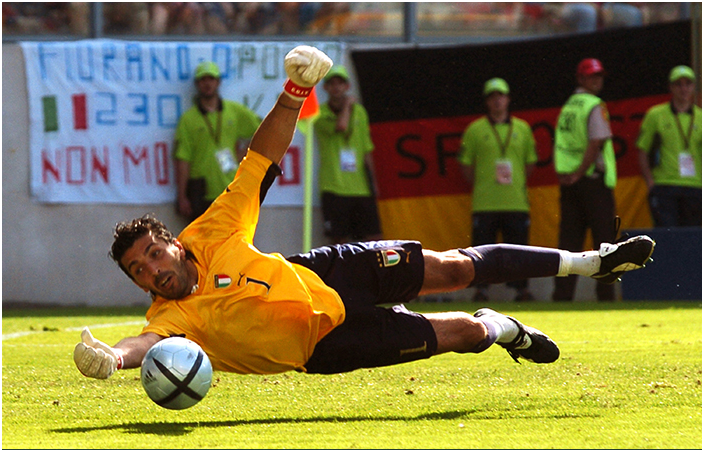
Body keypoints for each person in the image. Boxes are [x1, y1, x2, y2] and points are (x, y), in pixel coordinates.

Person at [73, 46, 655, 381]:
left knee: (452, 266)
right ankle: (504, 327)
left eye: (152, 254)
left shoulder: (214, 230)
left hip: (325, 273)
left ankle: (592, 262)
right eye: (139, 272)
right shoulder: (172, 319)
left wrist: (293, 94)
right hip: (323, 347)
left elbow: (260, 158)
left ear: (173, 243)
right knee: (466, 332)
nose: (152, 271)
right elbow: (142, 345)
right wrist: (111, 359)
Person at [458, 78, 538, 302]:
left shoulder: (522, 128)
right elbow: (465, 164)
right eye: (492, 97)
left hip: (516, 201)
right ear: (486, 101)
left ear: (508, 98)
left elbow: (530, 162)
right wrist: (481, 184)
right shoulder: (475, 129)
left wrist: (518, 182)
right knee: (482, 251)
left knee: (520, 251)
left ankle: (522, 290)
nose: (497, 100)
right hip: (485, 201)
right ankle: (481, 290)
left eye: (500, 95)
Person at [552, 58, 618, 302]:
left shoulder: (568, 106)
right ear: (580, 79)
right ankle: (606, 295)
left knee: (569, 242)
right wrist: (580, 172)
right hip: (591, 181)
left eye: (599, 76)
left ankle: (562, 295)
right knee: (605, 243)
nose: (597, 80)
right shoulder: (593, 105)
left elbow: (563, 145)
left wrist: (568, 174)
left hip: (569, 182)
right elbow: (595, 142)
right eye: (592, 76)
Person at [174, 60, 261, 223]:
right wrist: (182, 196)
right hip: (200, 191)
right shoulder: (188, 119)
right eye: (203, 80)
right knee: (201, 244)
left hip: (229, 188)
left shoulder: (233, 111)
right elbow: (182, 159)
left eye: (211, 79)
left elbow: (262, 130)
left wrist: (244, 152)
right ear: (197, 84)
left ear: (218, 82)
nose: (207, 84)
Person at [314, 64, 383, 244]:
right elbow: (341, 126)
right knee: (339, 240)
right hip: (334, 187)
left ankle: (369, 272)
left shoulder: (360, 112)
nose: (336, 87)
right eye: (332, 84)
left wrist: (373, 182)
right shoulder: (320, 113)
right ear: (326, 88)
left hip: (360, 186)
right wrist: (347, 106)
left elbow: (367, 148)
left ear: (347, 86)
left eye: (340, 83)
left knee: (373, 238)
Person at [636, 65, 702, 227]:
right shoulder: (656, 114)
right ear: (671, 87)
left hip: (695, 186)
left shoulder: (701, 117)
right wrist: (650, 182)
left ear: (694, 87)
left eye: (688, 84)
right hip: (664, 185)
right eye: (678, 84)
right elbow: (642, 149)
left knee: (694, 239)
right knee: (666, 236)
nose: (683, 89)